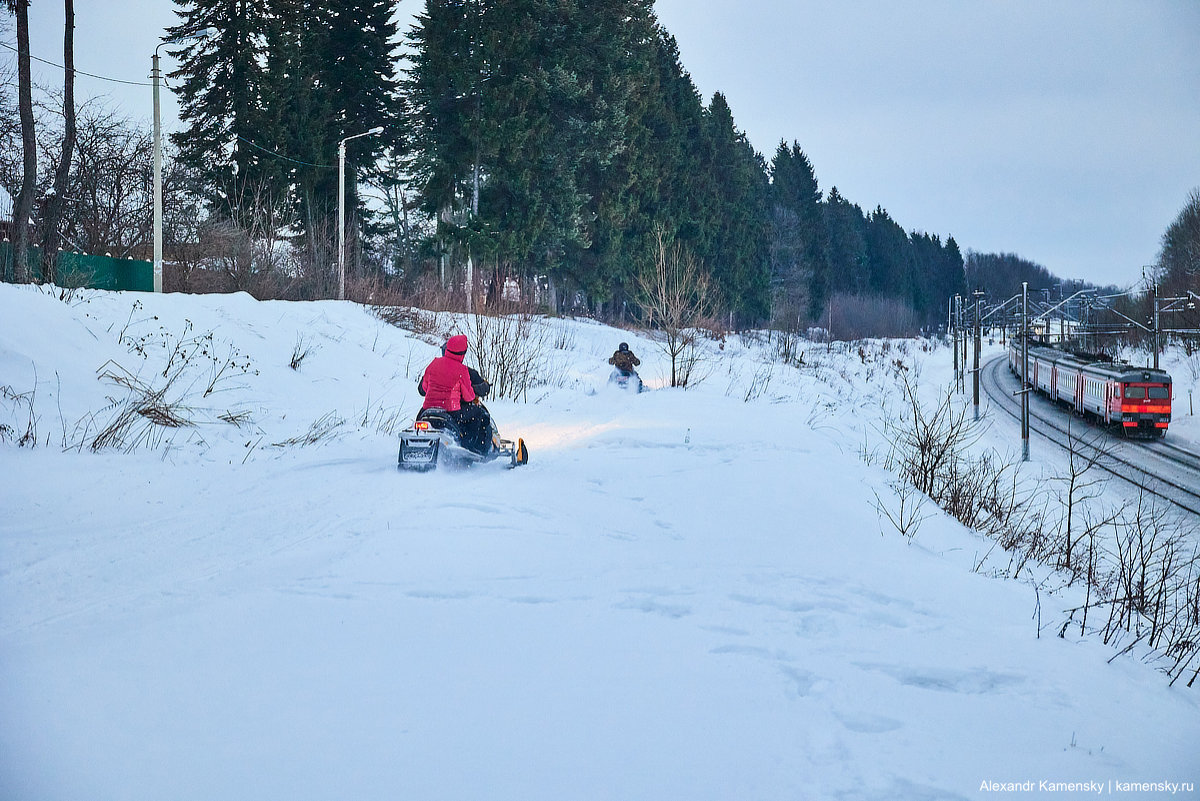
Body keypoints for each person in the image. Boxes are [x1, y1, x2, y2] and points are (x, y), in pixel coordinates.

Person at [418, 334, 492, 455]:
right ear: (462, 353)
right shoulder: (462, 370)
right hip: (450, 410)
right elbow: (469, 396)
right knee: (478, 414)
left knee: (419, 419)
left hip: (428, 409)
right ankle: (472, 448)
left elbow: (423, 388)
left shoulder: (434, 364)